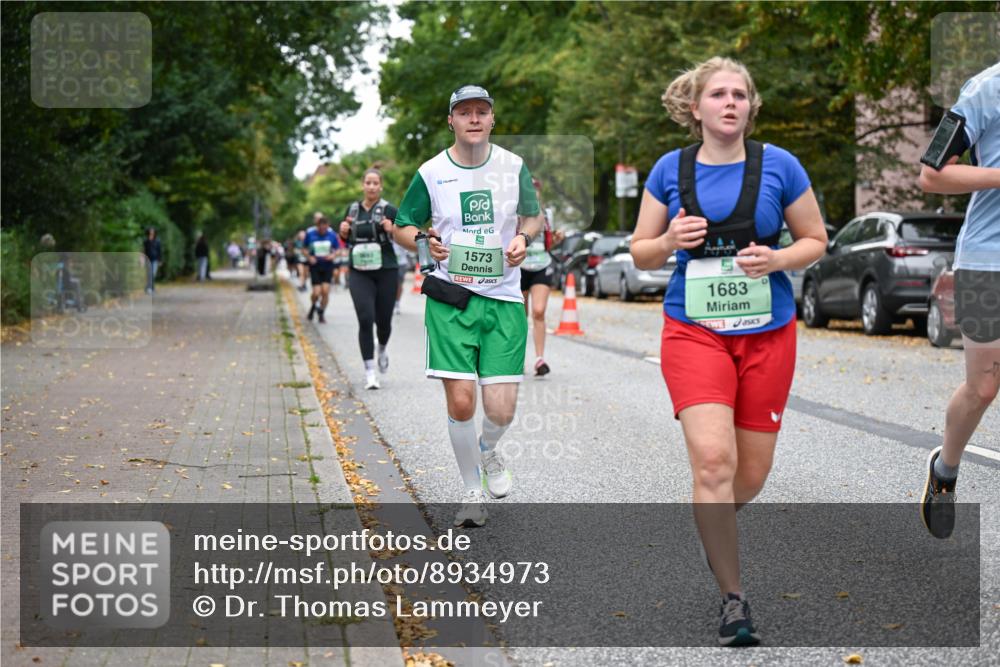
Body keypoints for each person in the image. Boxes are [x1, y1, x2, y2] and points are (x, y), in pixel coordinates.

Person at [630, 57, 827, 646]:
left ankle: (708, 518)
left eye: (740, 94)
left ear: (750, 107)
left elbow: (816, 239)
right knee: (713, 463)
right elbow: (642, 252)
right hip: (694, 329)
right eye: (718, 94)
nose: (730, 102)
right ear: (696, 109)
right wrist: (667, 240)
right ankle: (733, 602)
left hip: (768, 330)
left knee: (751, 474)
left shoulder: (780, 166)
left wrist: (778, 258)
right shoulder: (671, 169)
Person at [394, 85, 544, 527]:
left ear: (492, 120)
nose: (474, 118)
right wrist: (424, 240)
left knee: (501, 410)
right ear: (452, 121)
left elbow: (533, 214)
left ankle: (489, 450)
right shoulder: (431, 172)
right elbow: (403, 225)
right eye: (465, 112)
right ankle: (472, 492)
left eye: (482, 112)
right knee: (461, 402)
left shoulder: (512, 166)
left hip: (502, 298)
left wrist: (523, 237)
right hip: (452, 299)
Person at [917, 62, 1000, 539]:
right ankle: (944, 471)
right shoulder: (986, 90)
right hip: (989, 262)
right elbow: (932, 175)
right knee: (984, 388)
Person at [338, 167, 400, 390]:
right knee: (365, 318)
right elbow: (344, 239)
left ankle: (381, 347)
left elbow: (403, 237)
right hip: (359, 270)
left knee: (383, 322)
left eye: (376, 183)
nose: (371, 186)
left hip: (386, 270)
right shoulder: (352, 210)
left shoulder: (389, 209)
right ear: (362, 185)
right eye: (368, 182)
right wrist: (343, 231)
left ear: (381, 186)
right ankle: (370, 372)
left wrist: (392, 229)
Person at [519, 177, 564, 376]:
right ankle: (516, 358)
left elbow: (548, 243)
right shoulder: (514, 214)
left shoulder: (547, 214)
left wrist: (556, 239)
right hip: (519, 267)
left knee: (538, 311)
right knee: (520, 316)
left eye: (536, 189)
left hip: (541, 265)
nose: (533, 193)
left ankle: (539, 359)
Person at [304, 213, 340, 324]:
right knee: (316, 292)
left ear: (327, 226)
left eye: (325, 228)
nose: (323, 230)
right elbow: (304, 249)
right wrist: (309, 257)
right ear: (317, 226)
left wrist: (333, 256)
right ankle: (313, 305)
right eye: (321, 228)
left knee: (325, 291)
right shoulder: (310, 234)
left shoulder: (332, 235)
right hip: (315, 266)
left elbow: (338, 249)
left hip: (328, 266)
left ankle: (321, 312)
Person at [142, 227, 162, 294]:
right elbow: (143, 250)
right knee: (149, 274)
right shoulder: (146, 241)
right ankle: (150, 288)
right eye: (150, 231)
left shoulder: (157, 241)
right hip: (147, 259)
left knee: (153, 274)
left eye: (153, 231)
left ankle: (149, 287)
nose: (151, 233)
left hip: (155, 259)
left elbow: (159, 251)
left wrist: (160, 260)